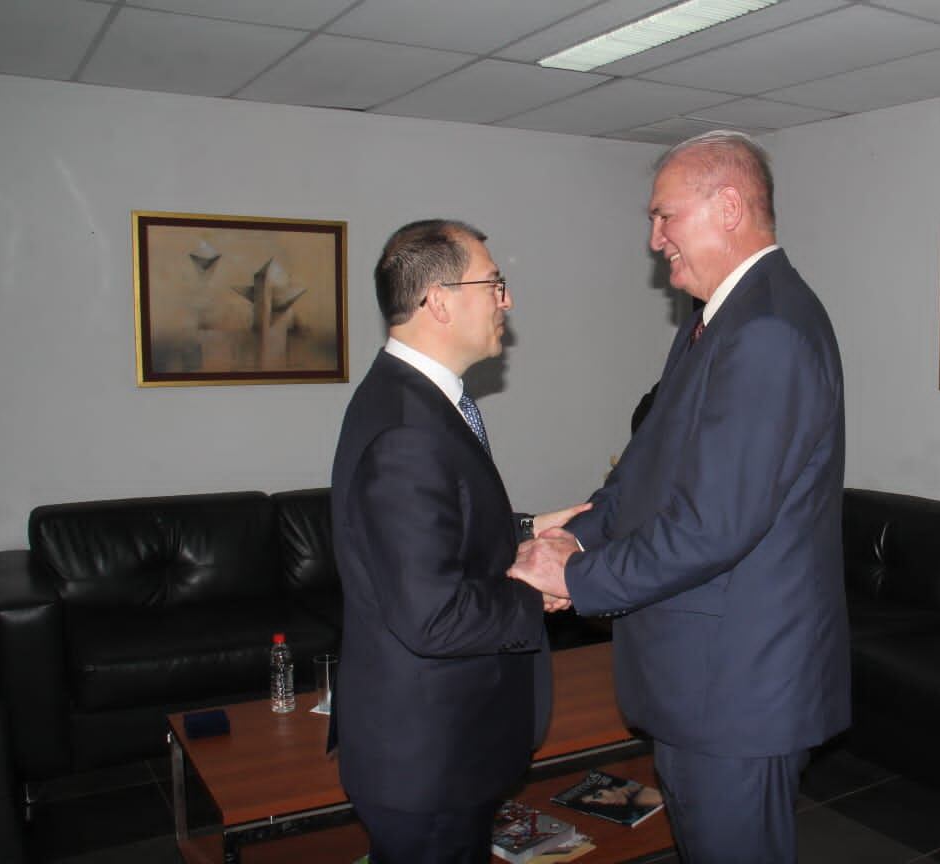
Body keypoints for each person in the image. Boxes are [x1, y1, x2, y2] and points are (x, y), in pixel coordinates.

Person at [509, 131, 850, 863]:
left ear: (728, 207)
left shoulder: (768, 330)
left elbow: (713, 526)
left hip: (735, 688)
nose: (655, 239)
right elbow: (648, 467)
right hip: (705, 682)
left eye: (666, 216)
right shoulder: (718, 319)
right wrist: (582, 536)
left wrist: (574, 579)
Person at [330, 219, 584, 863]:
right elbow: (433, 616)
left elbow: (438, 530)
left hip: (438, 748)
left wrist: (523, 531)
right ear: (438, 301)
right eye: (494, 283)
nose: (507, 300)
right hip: (427, 758)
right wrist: (534, 588)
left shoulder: (418, 400)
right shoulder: (408, 430)